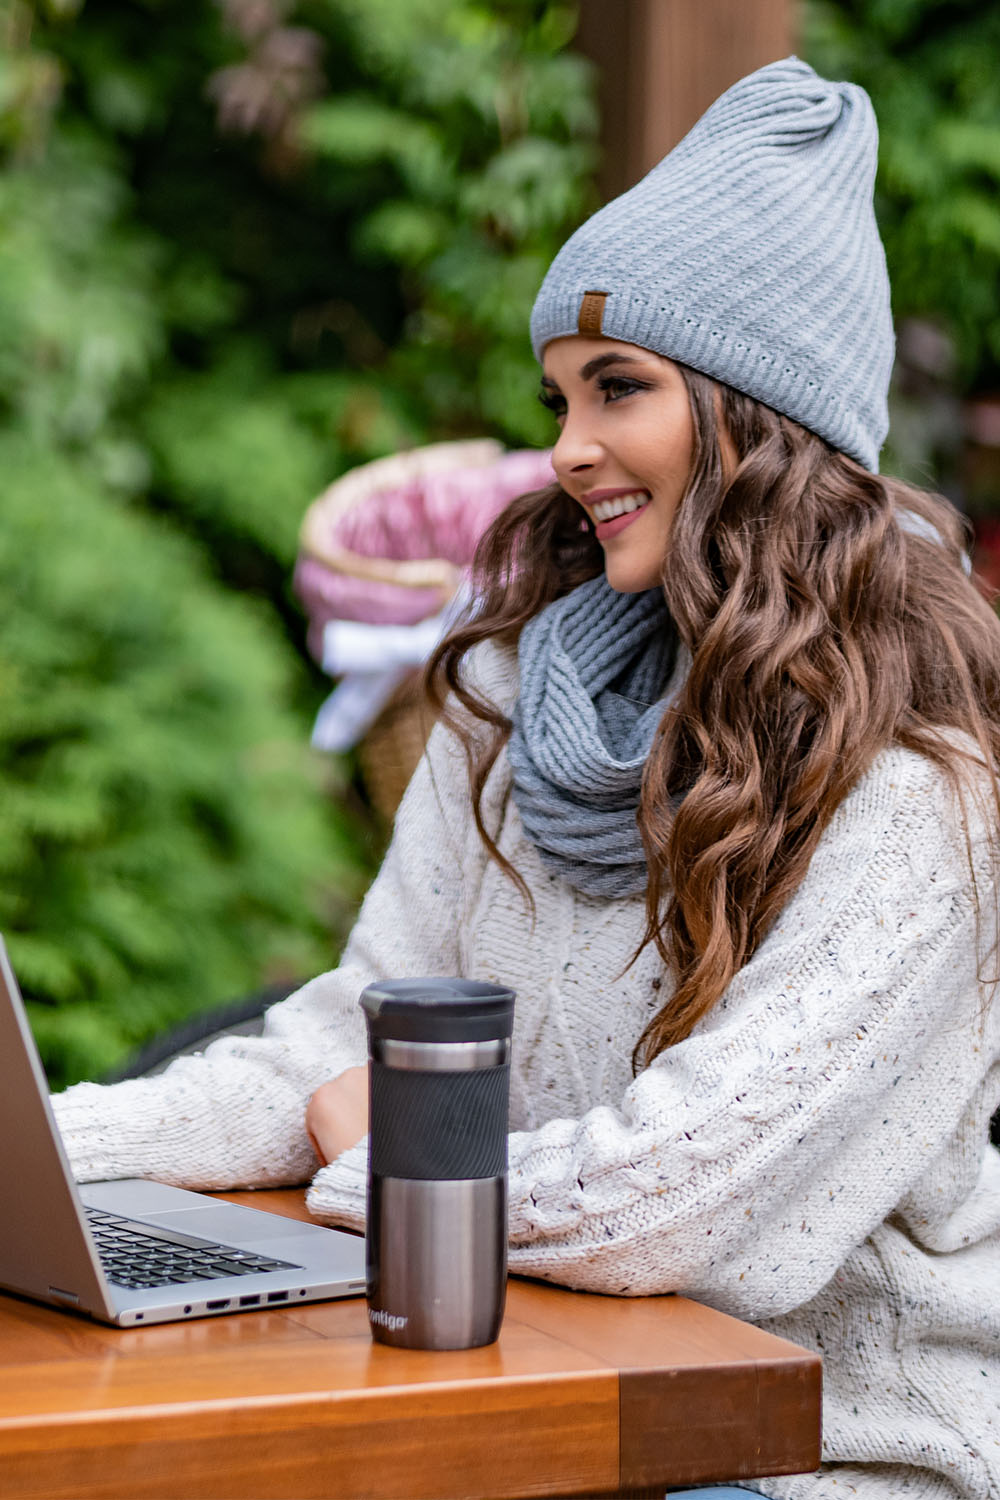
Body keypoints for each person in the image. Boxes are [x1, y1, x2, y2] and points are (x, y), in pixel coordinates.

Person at [52, 58, 1000, 1499]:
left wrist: (382, 1160)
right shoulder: (511, 705)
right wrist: (56, 1155)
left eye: (618, 388)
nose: (566, 452)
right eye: (558, 395)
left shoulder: (923, 799)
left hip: (814, 1456)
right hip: (526, 1379)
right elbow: (343, 1048)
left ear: (762, 418)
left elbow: (669, 1209)